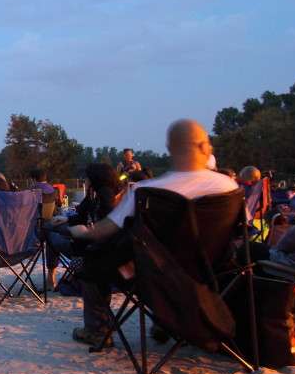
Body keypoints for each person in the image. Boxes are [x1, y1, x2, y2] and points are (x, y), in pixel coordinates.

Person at [66, 119, 238, 346]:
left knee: (92, 263)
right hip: (213, 270)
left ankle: (97, 330)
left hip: (154, 275)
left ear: (170, 150)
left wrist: (81, 232)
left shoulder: (147, 191)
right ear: (205, 148)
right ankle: (168, 321)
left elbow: (104, 231)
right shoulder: (228, 187)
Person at [46, 164, 122, 291]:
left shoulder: (105, 196)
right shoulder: (96, 193)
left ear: (95, 179)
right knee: (54, 227)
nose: (84, 181)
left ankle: (51, 277)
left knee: (50, 233)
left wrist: (86, 231)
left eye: (87, 178)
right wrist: (67, 219)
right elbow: (81, 214)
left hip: (94, 250)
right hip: (89, 244)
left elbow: (106, 226)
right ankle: (54, 275)